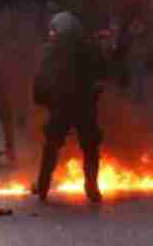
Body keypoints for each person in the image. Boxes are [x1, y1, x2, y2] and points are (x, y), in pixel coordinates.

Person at [33, 11, 106, 203]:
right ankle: (92, 187)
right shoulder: (89, 48)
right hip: (84, 106)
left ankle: (43, 186)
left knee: (52, 145)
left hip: (62, 106)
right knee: (90, 147)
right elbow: (102, 74)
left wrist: (42, 98)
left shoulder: (52, 50)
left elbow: (41, 78)